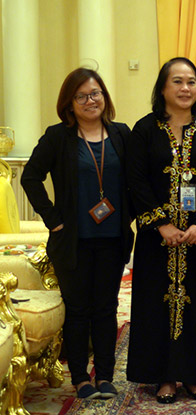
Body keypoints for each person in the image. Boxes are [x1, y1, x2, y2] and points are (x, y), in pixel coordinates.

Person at [21, 68, 134, 399]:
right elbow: (30, 177)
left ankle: (106, 375)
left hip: (113, 238)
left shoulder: (121, 134)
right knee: (78, 308)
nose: (90, 100)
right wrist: (53, 220)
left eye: (96, 93)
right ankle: (81, 377)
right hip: (73, 240)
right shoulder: (58, 137)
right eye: (82, 96)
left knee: (106, 307)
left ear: (105, 97)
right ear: (69, 103)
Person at [126, 57, 196, 403]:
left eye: (191, 83)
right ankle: (164, 377)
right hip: (158, 240)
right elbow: (136, 181)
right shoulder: (144, 129)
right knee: (155, 305)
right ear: (163, 88)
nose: (186, 89)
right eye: (178, 82)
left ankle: (195, 375)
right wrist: (161, 224)